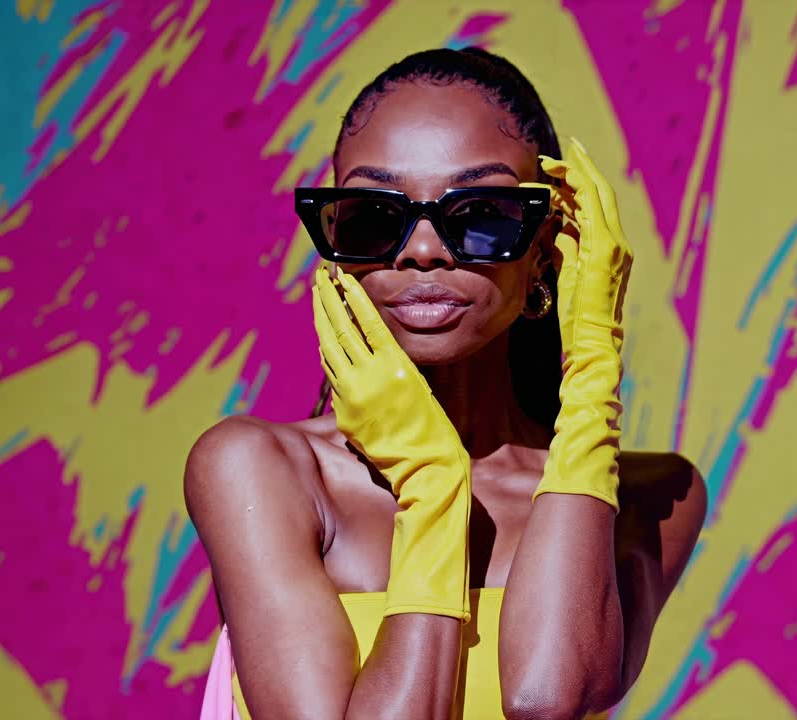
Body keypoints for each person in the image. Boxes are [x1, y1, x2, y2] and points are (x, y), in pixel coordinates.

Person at [186, 47, 707, 720]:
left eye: (482, 215)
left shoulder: (650, 498)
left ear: (550, 246)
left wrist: (592, 377)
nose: (422, 249)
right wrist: (431, 491)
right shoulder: (261, 470)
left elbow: (547, 696)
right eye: (373, 216)